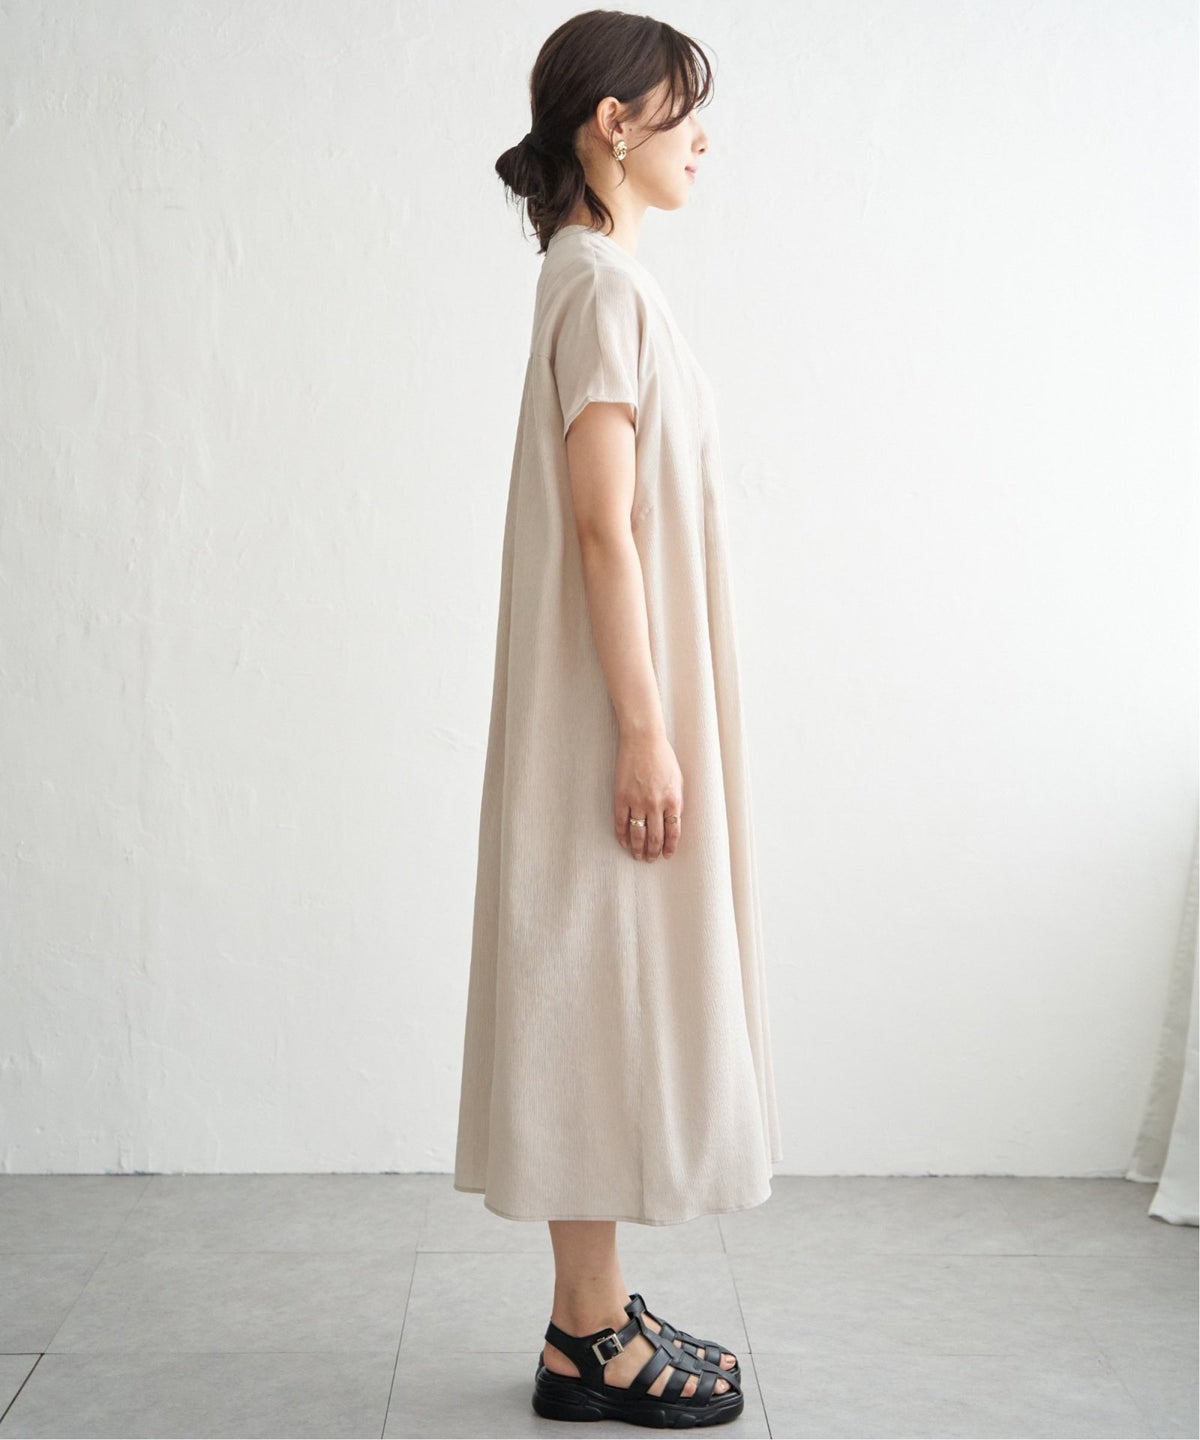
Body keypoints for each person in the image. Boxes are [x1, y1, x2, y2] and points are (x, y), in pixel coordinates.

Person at [452, 10, 782, 1428]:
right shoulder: (599, 288)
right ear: (613, 124)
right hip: (609, 708)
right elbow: (604, 527)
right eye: (681, 108)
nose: (702, 137)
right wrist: (646, 731)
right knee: (589, 989)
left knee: (592, 986)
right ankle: (587, 1336)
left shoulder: (598, 280)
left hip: (613, 693)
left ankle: (588, 1313)